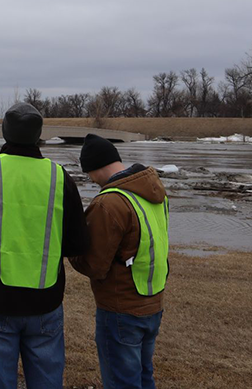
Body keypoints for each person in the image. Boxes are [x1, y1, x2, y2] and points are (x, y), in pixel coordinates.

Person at [0, 103, 88, 388]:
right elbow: (77, 243)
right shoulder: (60, 178)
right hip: (46, 299)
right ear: (39, 135)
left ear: (4, 132)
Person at [69, 134, 169, 389]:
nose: (91, 180)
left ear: (96, 166)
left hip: (120, 309)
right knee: (144, 376)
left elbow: (94, 264)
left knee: (121, 382)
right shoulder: (154, 192)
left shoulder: (109, 203)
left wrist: (70, 249)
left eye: (89, 173)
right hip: (152, 301)